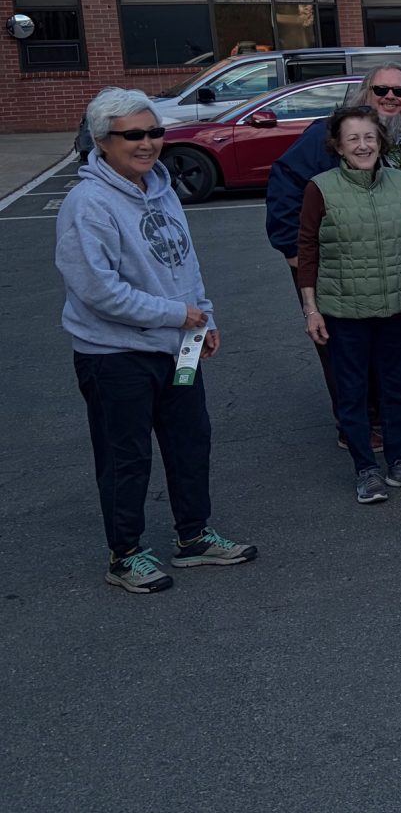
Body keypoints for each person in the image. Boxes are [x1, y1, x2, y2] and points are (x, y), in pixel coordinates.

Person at [56, 88, 256, 594]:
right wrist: (178, 315)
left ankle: (193, 538)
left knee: (191, 442)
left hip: (176, 344)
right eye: (134, 135)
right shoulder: (89, 204)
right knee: (126, 458)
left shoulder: (161, 187)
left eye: (155, 132)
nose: (148, 144)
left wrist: (202, 318)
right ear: (103, 141)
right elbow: (98, 291)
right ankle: (124, 554)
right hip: (114, 355)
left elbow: (181, 263)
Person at [267, 63, 401, 451]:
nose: (391, 97)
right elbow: (285, 186)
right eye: (381, 89)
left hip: (383, 260)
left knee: (382, 338)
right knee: (344, 350)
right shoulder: (330, 134)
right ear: (364, 91)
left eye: (400, 92)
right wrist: (293, 251)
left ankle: (385, 410)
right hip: (332, 264)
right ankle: (356, 424)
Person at [297, 105, 401, 504]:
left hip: (397, 304)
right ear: (338, 146)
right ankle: (366, 469)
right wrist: (311, 309)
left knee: (396, 390)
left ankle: (400, 462)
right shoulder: (319, 188)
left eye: (369, 137)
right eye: (353, 138)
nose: (362, 145)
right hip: (345, 311)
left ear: (381, 141)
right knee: (353, 393)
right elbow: (307, 252)